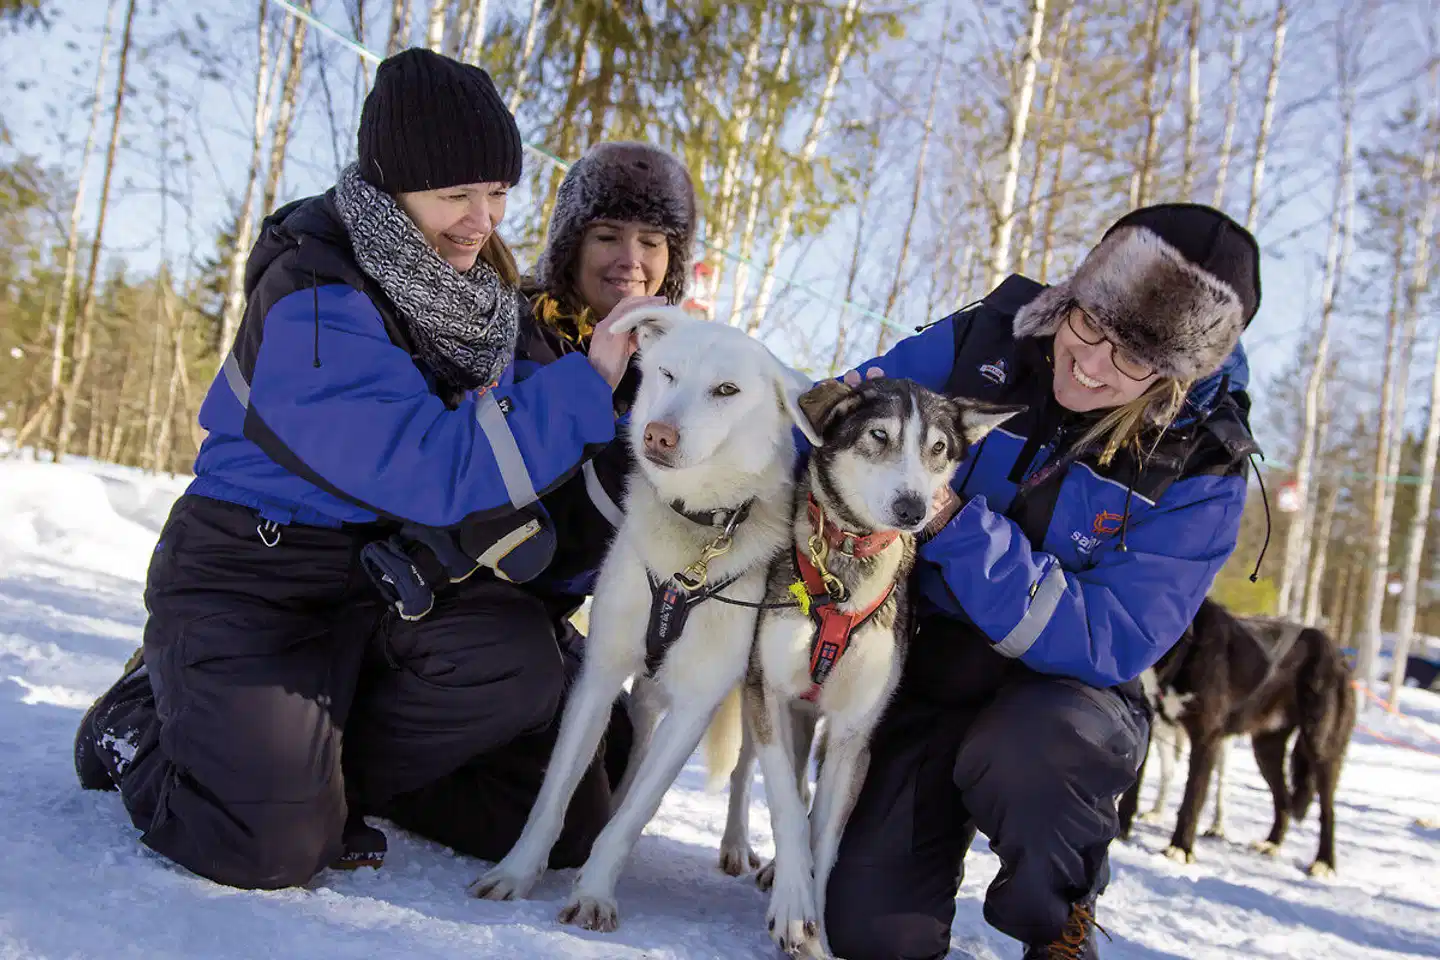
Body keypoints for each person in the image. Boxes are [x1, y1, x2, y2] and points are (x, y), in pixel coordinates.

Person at [71, 48, 641, 891]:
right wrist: (585, 387)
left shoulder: (478, 300)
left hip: (389, 578)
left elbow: (532, 456)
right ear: (392, 185)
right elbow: (429, 467)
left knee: (552, 803)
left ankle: (310, 775)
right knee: (264, 844)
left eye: (496, 193)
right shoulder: (313, 291)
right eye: (456, 194)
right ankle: (145, 722)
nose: (481, 219)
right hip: (256, 574)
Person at [822, 203, 1263, 959]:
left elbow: (1111, 634)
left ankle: (1059, 921)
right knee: (871, 937)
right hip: (932, 670)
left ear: (1174, 376)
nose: (1091, 363)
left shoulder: (1203, 463)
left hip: (1064, 703)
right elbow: (843, 422)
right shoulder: (983, 340)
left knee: (1036, 750)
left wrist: (957, 528)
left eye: (1133, 358)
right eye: (1089, 323)